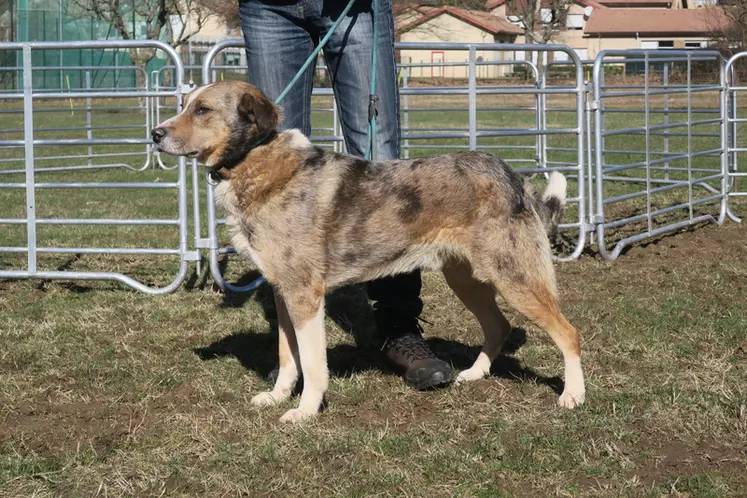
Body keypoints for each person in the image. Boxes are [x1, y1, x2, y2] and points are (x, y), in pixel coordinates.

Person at [238, 0, 454, 389]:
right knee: (272, 154)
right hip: (268, 8)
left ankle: (398, 326)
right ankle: (294, 358)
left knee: (382, 161)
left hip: (357, 8)